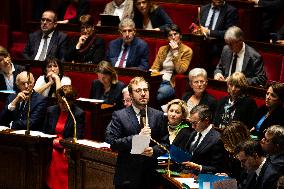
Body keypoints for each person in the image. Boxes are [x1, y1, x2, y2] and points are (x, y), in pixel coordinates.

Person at [105, 77, 169, 189]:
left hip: (151, 178)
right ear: (130, 94)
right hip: (127, 177)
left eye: (145, 90)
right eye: (138, 91)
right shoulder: (120, 116)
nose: (143, 94)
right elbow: (113, 143)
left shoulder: (158, 115)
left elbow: (165, 144)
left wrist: (153, 151)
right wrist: (138, 138)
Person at [44, 85, 85, 189]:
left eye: (64, 102)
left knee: (60, 156)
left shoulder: (78, 113)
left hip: (66, 148)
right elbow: (45, 132)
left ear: (71, 101)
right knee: (51, 153)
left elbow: (78, 136)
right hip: (50, 145)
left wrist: (60, 143)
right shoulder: (51, 110)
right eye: (60, 102)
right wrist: (52, 142)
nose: (61, 105)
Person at [173, 105, 227, 174]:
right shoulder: (194, 133)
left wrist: (198, 167)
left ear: (206, 120)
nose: (192, 126)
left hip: (202, 179)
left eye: (195, 123)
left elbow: (218, 168)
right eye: (191, 123)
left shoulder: (217, 140)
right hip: (184, 173)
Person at [151, 24, 192, 104]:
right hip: (157, 80)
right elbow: (155, 67)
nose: (173, 37)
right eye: (170, 35)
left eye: (175, 34)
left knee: (159, 94)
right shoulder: (162, 49)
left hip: (170, 83)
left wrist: (176, 53)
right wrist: (153, 75)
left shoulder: (187, 51)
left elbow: (181, 70)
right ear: (167, 38)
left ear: (180, 35)